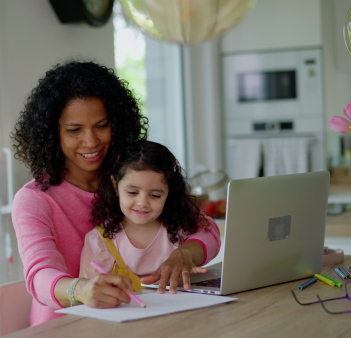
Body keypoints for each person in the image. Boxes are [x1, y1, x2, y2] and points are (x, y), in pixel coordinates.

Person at [11, 59, 221, 326]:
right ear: (52, 134)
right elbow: (39, 277)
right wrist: (81, 289)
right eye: (74, 130)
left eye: (101, 126)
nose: (91, 141)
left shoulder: (134, 179)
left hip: (144, 320)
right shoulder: (35, 200)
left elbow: (208, 230)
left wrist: (186, 254)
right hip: (65, 327)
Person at [79, 140, 212, 292]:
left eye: (155, 195)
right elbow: (88, 295)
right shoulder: (98, 242)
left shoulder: (182, 229)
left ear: (169, 193)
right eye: (132, 192)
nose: (142, 203)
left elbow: (210, 232)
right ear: (115, 185)